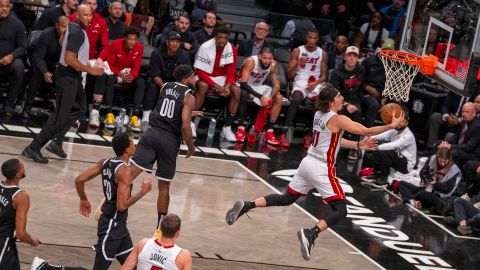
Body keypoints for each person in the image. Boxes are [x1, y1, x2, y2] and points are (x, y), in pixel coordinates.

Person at [226, 82, 404, 261]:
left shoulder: (319, 114)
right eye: (339, 97)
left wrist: (359, 145)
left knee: (287, 198)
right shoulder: (338, 119)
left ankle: (247, 205)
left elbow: (335, 141)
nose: (342, 98)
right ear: (331, 103)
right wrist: (391, 125)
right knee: (341, 210)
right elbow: (365, 130)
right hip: (321, 168)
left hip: (307, 163)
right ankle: (311, 233)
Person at [22, 5, 105, 163]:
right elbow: (69, 59)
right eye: (85, 15)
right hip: (67, 75)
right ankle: (33, 147)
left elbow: (62, 41)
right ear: (77, 15)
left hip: (72, 73)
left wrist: (78, 59)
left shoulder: (72, 27)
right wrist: (90, 70)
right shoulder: (77, 32)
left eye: (90, 15)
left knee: (80, 107)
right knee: (60, 115)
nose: (88, 18)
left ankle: (57, 142)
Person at [129, 65, 196, 234]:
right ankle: (160, 229)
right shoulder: (189, 96)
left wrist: (193, 113)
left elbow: (168, 110)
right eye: (192, 77)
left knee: (130, 174)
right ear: (185, 79)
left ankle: (113, 206)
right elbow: (185, 126)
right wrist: (190, 146)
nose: (195, 79)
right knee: (164, 186)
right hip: (169, 140)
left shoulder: (165, 87)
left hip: (152, 134)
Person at [75, 132, 153, 269]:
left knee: (133, 266)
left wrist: (83, 199)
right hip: (112, 226)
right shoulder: (124, 171)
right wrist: (143, 192)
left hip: (118, 226)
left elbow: (79, 179)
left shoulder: (105, 162)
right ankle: (47, 267)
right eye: (132, 143)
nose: (135, 144)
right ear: (127, 150)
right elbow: (122, 206)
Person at [90, 27, 145, 131]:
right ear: (125, 38)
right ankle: (109, 114)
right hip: (115, 74)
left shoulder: (139, 47)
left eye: (134, 39)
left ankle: (135, 117)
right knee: (109, 79)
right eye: (130, 39)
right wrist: (119, 74)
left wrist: (131, 76)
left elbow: (136, 68)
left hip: (128, 75)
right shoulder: (116, 44)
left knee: (141, 82)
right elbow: (110, 64)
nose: (132, 42)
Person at [282, 29, 328, 147]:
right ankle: (284, 132)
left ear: (318, 39)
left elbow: (324, 76)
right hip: (300, 81)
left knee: (319, 104)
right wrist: (297, 63)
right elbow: (289, 75)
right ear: (306, 38)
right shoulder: (298, 51)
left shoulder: (322, 53)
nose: (312, 40)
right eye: (310, 37)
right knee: (296, 100)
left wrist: (316, 83)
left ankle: (309, 134)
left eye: (314, 38)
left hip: (315, 82)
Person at [194, 27, 241, 142]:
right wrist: (215, 86)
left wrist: (227, 85)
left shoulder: (232, 49)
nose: (222, 41)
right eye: (220, 37)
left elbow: (231, 71)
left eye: (225, 38)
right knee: (203, 86)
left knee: (237, 91)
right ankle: (191, 121)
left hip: (221, 79)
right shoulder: (205, 47)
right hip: (205, 76)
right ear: (215, 37)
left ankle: (227, 127)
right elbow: (200, 72)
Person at [23, 16, 71, 119]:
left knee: (66, 75)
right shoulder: (46, 34)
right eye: (63, 27)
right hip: (40, 57)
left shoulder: (70, 36)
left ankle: (61, 109)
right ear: (57, 25)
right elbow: (39, 57)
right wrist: (45, 71)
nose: (65, 30)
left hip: (56, 61)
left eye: (67, 28)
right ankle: (28, 105)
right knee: (37, 74)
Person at [235, 47, 283, 145]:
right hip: (243, 85)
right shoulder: (251, 61)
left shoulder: (273, 64)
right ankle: (241, 128)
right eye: (264, 58)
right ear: (259, 56)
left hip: (258, 86)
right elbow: (244, 83)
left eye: (270, 58)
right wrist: (260, 96)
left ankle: (269, 131)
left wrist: (270, 97)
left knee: (278, 97)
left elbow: (277, 84)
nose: (267, 61)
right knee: (244, 94)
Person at [0, 159, 40, 270]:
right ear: (18, 175)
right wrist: (32, 240)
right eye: (22, 166)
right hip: (3, 244)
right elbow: (20, 234)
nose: (24, 167)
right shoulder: (20, 196)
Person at [144, 31, 191, 125]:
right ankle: (146, 115)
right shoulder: (156, 53)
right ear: (167, 42)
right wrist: (164, 87)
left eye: (177, 42)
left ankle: (183, 120)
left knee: (187, 90)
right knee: (151, 84)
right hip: (159, 79)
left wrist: (176, 87)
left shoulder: (184, 55)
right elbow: (155, 74)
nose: (175, 44)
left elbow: (185, 76)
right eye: (172, 41)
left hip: (175, 82)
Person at [362, 108, 417, 185]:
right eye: (399, 121)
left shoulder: (408, 136)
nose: (399, 123)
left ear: (406, 123)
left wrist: (377, 147)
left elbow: (393, 145)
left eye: (402, 122)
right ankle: (376, 173)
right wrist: (370, 138)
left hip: (406, 165)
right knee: (377, 144)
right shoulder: (394, 130)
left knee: (386, 151)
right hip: (396, 157)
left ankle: (384, 178)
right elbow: (380, 136)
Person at [329, 46, 365, 159]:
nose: (352, 58)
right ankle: (333, 144)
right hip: (339, 101)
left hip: (355, 100)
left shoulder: (361, 70)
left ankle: (354, 148)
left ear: (358, 58)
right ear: (345, 57)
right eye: (349, 55)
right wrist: (345, 104)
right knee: (339, 117)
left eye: (355, 56)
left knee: (357, 114)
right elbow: (334, 92)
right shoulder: (336, 72)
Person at [398, 147, 461, 212]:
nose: (442, 163)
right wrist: (427, 178)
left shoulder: (454, 169)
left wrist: (436, 184)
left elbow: (448, 188)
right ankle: (413, 201)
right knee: (402, 183)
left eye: (445, 161)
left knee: (422, 194)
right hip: (426, 188)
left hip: (437, 195)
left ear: (449, 159)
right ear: (437, 157)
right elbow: (422, 172)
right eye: (440, 161)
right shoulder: (433, 158)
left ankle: (411, 198)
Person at [120, 214, 192, 270]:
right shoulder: (183, 256)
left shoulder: (143, 244)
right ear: (177, 233)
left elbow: (125, 268)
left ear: (160, 230)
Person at [0, 0, 27, 115]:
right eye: (1, 6)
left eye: (7, 6)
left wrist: (11, 56)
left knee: (19, 67)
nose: (4, 8)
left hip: (8, 60)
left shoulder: (17, 24)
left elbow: (23, 47)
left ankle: (10, 101)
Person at [439, 102, 480, 167]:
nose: (463, 114)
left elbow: (469, 147)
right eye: (462, 112)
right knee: (440, 144)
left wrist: (450, 146)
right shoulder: (464, 121)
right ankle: (430, 165)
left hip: (473, 155)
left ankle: (454, 174)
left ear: (474, 112)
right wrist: (446, 143)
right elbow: (456, 137)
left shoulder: (478, 126)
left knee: (454, 153)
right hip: (463, 149)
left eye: (467, 112)